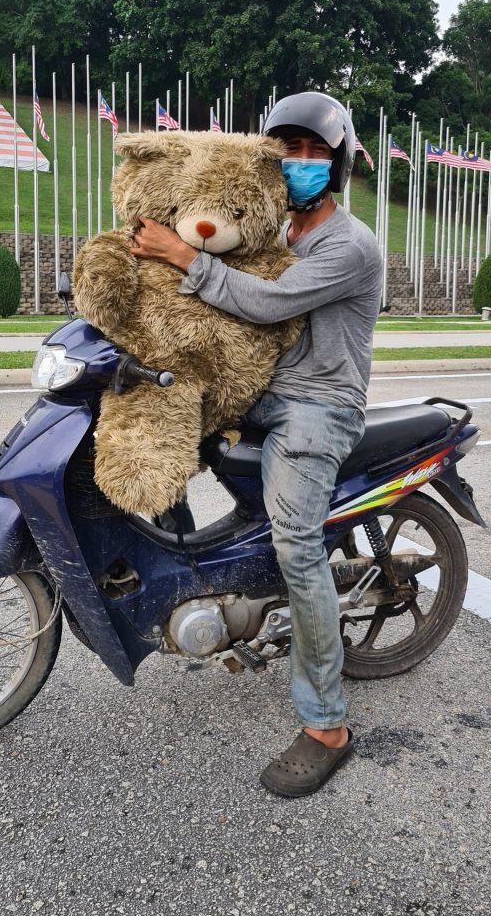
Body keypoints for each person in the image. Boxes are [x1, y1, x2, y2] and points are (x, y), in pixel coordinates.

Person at [130, 92, 383, 797]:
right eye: (286, 150)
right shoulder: (274, 232)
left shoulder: (347, 245)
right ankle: (181, 571)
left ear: (336, 161)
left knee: (295, 545)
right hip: (263, 391)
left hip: (319, 406)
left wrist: (183, 255)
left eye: (313, 151)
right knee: (158, 423)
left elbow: (265, 302)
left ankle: (328, 723)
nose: (298, 163)